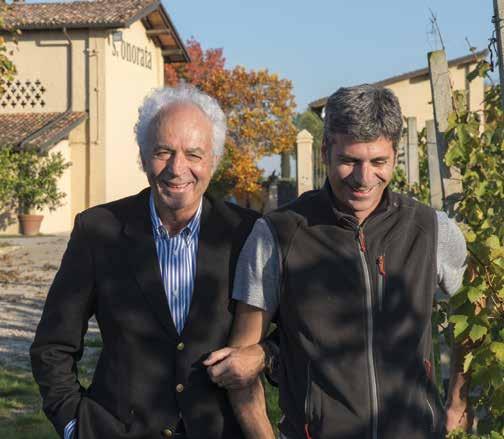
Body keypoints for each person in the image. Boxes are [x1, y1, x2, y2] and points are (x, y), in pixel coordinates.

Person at [207, 84, 469, 439]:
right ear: (325, 152)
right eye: (350, 161)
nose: (364, 178)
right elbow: (239, 365)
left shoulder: (430, 228)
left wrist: (458, 403)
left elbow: (473, 308)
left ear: (395, 155)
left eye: (378, 162)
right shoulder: (277, 235)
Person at [30, 84, 270, 439]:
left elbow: (293, 334)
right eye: (163, 152)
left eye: (193, 154)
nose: (177, 168)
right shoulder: (98, 231)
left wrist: (263, 355)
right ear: (143, 157)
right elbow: (52, 346)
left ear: (214, 161)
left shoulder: (247, 233)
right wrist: (73, 424)